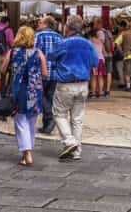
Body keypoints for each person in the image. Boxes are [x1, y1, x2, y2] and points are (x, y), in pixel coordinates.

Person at [47, 15, 98, 161]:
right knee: (77, 119)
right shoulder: (88, 44)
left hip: (66, 84)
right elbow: (95, 62)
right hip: (83, 84)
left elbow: (50, 56)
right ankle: (76, 152)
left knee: (59, 114)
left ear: (68, 27)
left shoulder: (64, 43)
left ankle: (69, 141)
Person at [8, 26, 47, 166]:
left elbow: (3, 69)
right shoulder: (39, 53)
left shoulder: (12, 52)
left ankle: (27, 153)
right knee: (31, 122)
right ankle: (27, 153)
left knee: (20, 121)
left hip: (18, 90)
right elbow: (45, 73)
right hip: (35, 91)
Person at [34, 16, 62, 134]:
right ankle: (47, 125)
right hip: (55, 72)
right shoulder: (59, 37)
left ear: (45, 24)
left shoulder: (38, 36)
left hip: (41, 71)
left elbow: (34, 53)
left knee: (40, 96)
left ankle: (49, 119)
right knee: (49, 97)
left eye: (40, 22)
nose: (38, 24)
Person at [86, 28, 106, 99]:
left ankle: (93, 93)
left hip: (93, 60)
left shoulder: (89, 42)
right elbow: (104, 52)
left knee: (93, 77)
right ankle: (100, 93)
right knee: (100, 77)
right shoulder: (100, 41)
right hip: (101, 59)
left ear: (90, 35)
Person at [119, 20, 131, 92]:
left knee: (127, 72)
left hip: (127, 55)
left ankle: (128, 87)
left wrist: (121, 52)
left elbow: (117, 43)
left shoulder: (124, 33)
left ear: (128, 26)